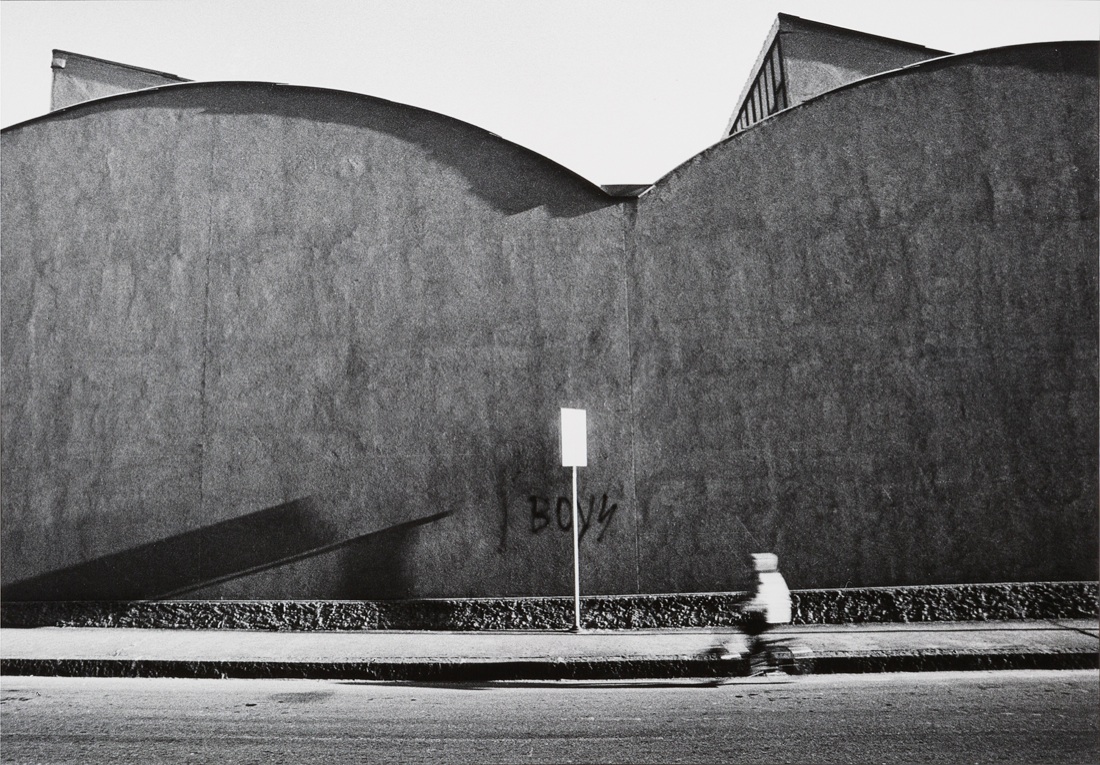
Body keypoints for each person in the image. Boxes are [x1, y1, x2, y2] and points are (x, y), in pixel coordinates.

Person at [730, 552, 792, 675]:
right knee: (752, 632)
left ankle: (757, 662)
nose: (750, 566)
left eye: (752, 564)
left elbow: (759, 597)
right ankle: (759, 657)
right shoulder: (773, 576)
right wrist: (737, 602)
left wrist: (744, 607)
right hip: (777, 612)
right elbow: (752, 595)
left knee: (749, 630)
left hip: (773, 614)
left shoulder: (763, 578)